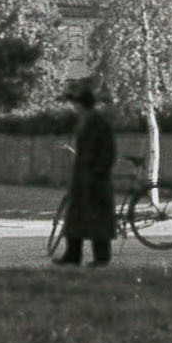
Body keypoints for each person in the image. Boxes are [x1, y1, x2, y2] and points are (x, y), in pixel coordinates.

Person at [57, 79, 115, 267]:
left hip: (95, 180)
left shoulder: (99, 123)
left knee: (98, 221)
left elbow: (108, 152)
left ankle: (101, 257)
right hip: (82, 179)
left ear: (82, 105)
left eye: (76, 104)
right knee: (76, 218)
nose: (74, 108)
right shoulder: (85, 122)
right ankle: (73, 254)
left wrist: (98, 172)